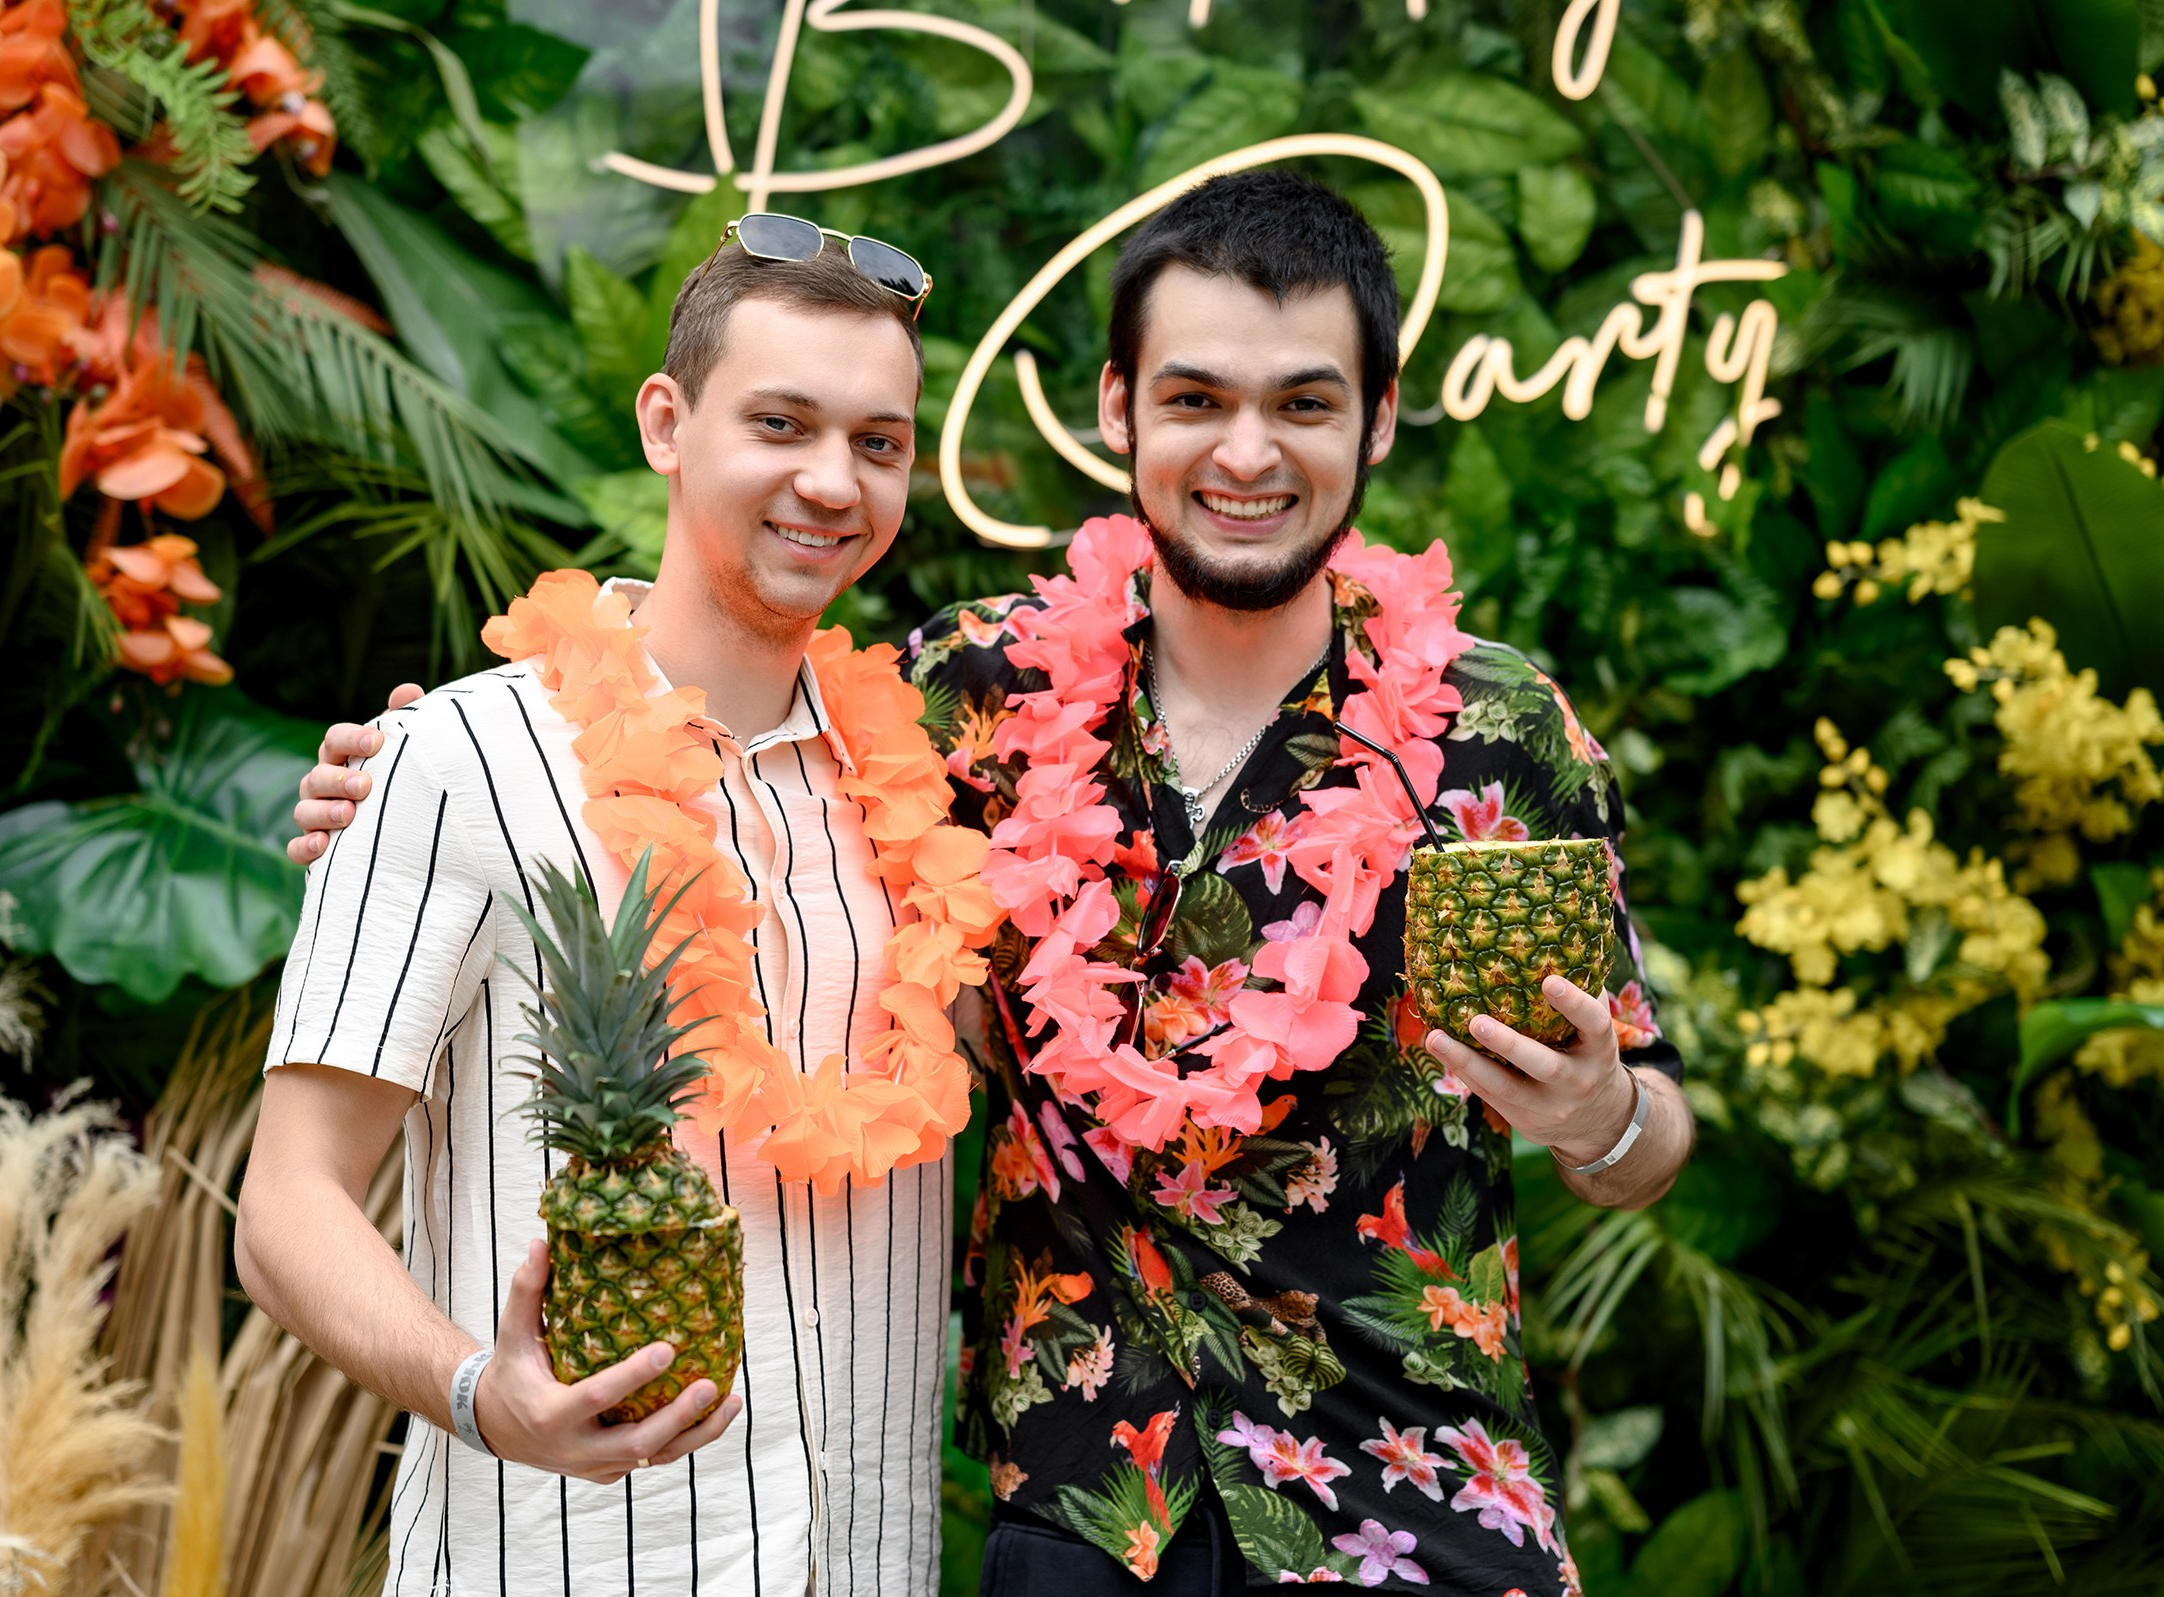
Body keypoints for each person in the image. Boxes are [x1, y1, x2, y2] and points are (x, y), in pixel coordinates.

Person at [295, 171, 1694, 1595]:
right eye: (1198, 397)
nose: (1248, 450)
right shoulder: (966, 702)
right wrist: (419, 760)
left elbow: (1649, 1135)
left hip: (1417, 1504)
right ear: (1119, 410)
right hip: (1088, 1509)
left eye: (1307, 403)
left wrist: (1604, 1116)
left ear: (1378, 419)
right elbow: (684, 699)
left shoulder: (1501, 733)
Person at [243, 219, 974, 1597]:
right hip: (569, 1564)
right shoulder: (459, 761)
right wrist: (477, 1390)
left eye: (879, 442)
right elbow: (287, 1202)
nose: (834, 480)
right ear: (666, 422)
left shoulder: (924, 804)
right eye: (782, 422)